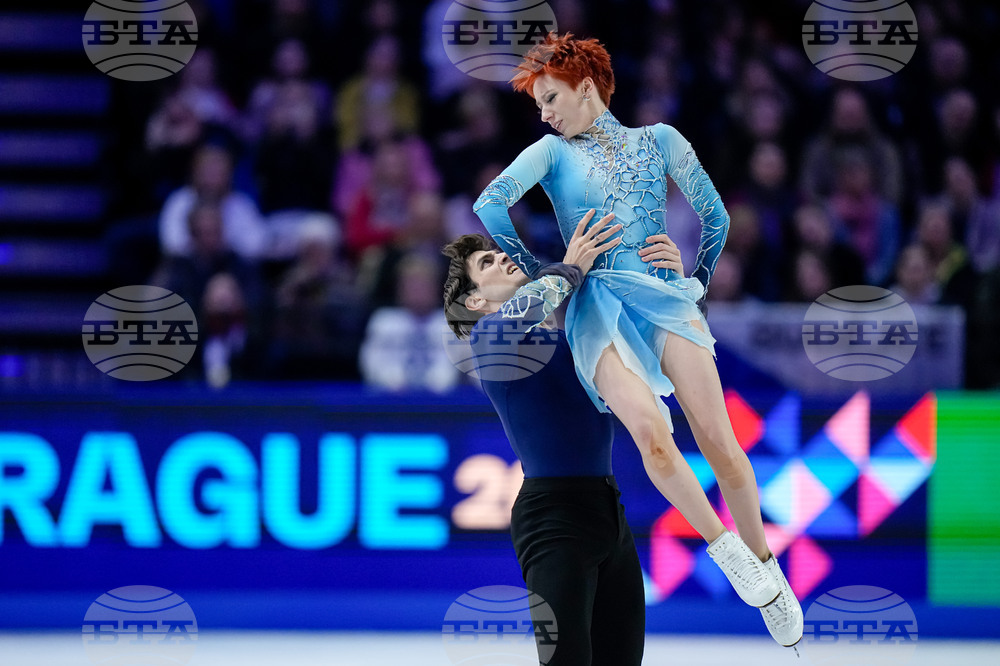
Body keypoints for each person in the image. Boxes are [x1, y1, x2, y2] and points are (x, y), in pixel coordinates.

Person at [473, 32, 802, 647]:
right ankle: (724, 547)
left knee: (721, 444)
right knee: (652, 438)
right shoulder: (549, 152)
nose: (542, 113)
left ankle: (767, 570)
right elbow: (490, 205)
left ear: (585, 85)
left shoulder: (661, 141)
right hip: (594, 307)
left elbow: (716, 215)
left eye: (549, 98)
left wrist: (696, 278)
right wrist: (548, 272)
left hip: (663, 296)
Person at [442, 209, 653, 665]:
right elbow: (534, 302)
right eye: (486, 265)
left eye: (497, 254)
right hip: (553, 519)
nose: (499, 258)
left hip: (608, 512)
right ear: (475, 303)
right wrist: (568, 266)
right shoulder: (489, 343)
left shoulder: (572, 338)